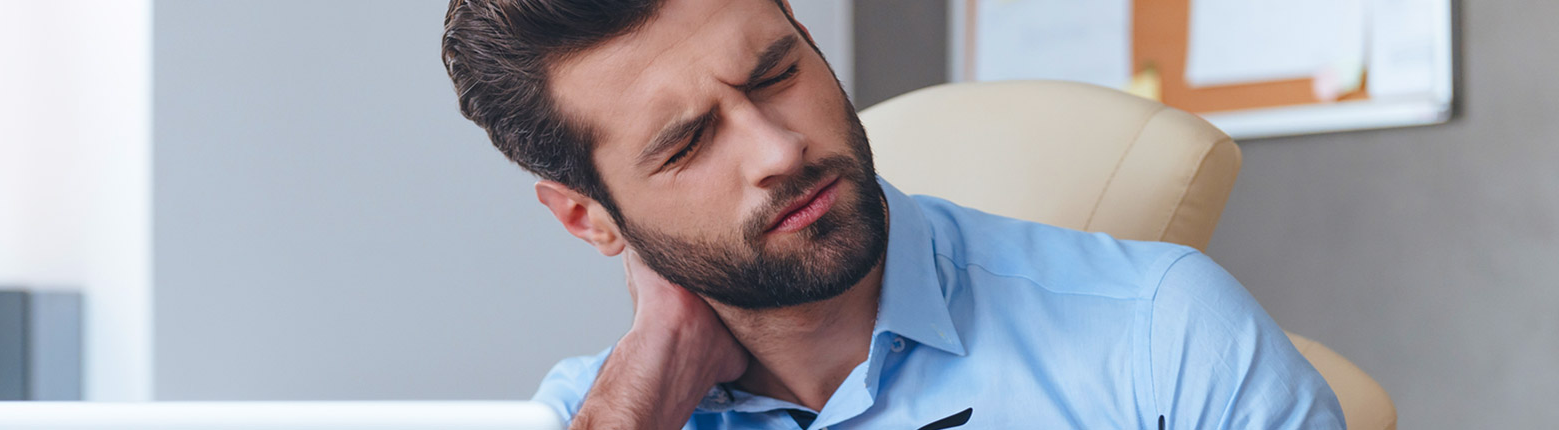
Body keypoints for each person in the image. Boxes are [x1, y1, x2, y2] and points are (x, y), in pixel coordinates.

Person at [440, 0, 1345, 428]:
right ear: (588, 219)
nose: (778, 150)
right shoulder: (593, 412)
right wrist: (644, 388)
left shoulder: (1163, 333)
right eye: (687, 144)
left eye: (776, 73)